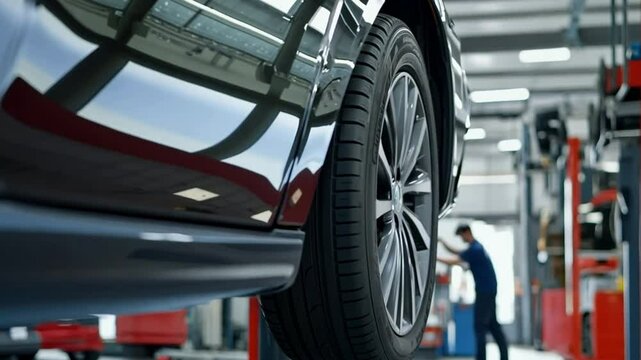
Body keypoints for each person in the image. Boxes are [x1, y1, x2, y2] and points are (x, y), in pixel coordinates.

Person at [438, 224, 509, 360]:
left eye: (461, 236)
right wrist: (443, 244)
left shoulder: (475, 250)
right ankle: (504, 357)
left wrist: (434, 259)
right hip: (488, 290)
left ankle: (481, 358)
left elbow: (455, 260)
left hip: (485, 291)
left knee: (480, 326)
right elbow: (458, 253)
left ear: (467, 233)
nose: (461, 239)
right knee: (493, 325)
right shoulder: (475, 248)